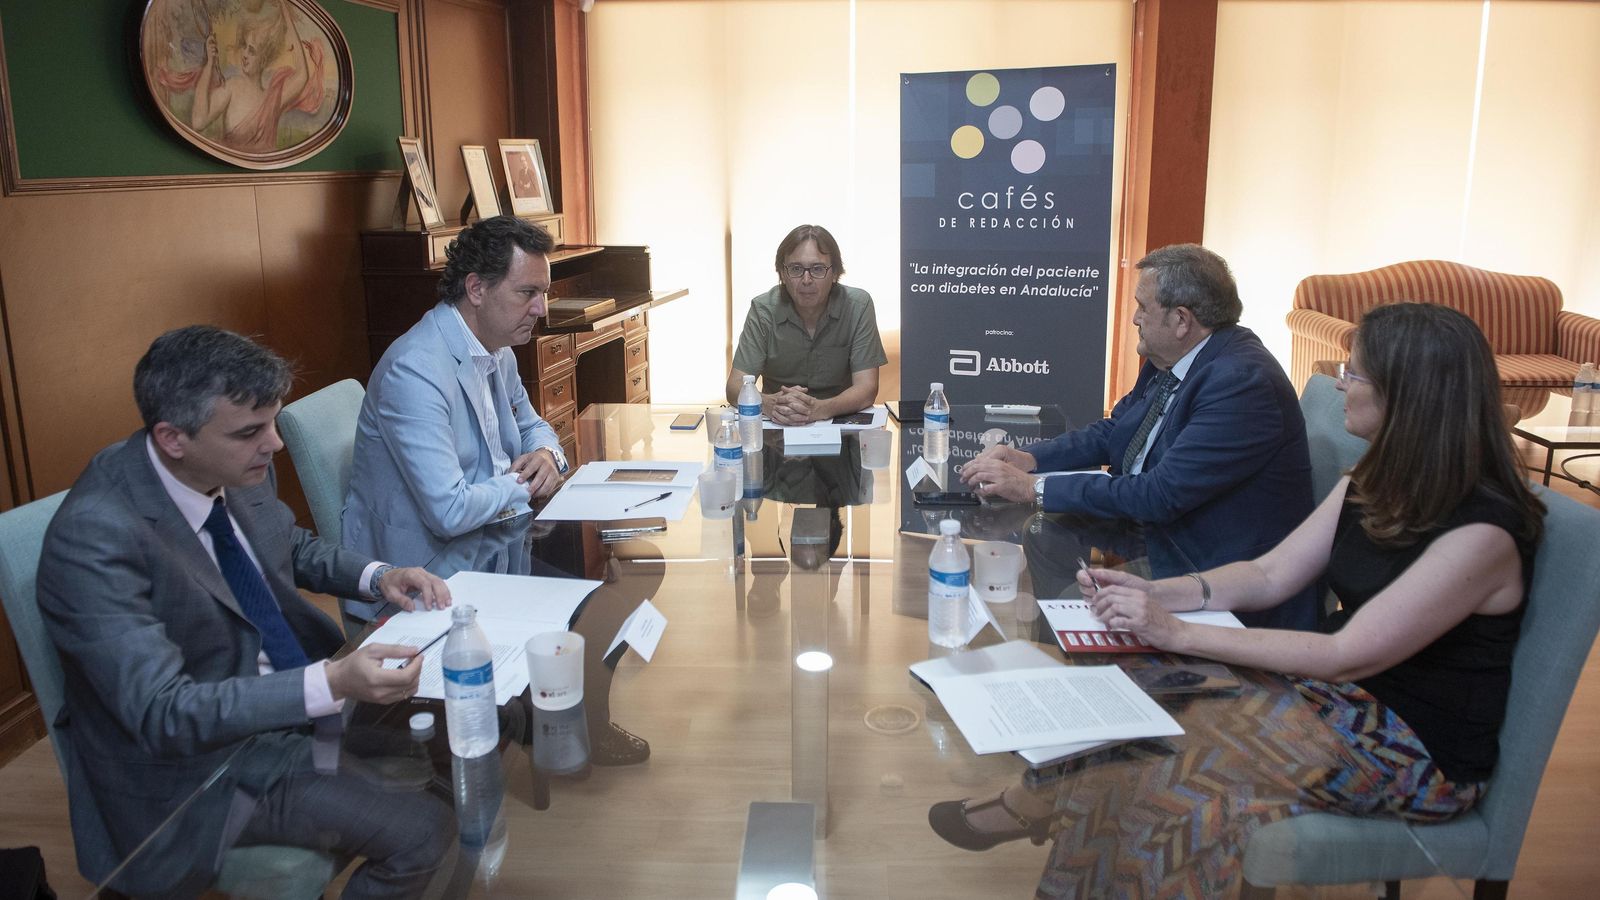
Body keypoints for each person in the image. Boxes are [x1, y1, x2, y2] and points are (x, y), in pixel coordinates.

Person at [937, 303, 1545, 898]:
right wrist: (1157, 593)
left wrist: (1176, 631)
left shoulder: (1481, 532)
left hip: (1407, 748)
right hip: (1332, 700)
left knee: (1164, 762)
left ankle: (1045, 817)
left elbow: (1347, 654)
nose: (1339, 383)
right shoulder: (1378, 478)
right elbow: (1270, 572)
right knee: (1135, 693)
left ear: (1406, 396)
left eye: (1354, 373)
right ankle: (1053, 830)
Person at [37, 326, 455, 896]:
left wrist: (379, 576)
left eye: (274, 423)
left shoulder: (227, 462)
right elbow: (165, 711)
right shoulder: (94, 537)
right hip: (199, 770)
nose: (276, 445)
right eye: (251, 431)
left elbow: (291, 546)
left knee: (469, 729)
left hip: (286, 710)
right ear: (172, 438)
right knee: (421, 829)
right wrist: (330, 680)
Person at [959, 243, 1317, 630]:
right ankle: (1075, 648)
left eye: (1143, 307)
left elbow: (1158, 494)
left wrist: (1034, 488)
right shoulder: (1176, 357)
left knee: (1068, 603)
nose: (1134, 318)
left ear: (1181, 320)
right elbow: (1117, 430)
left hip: (1204, 563)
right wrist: (1030, 459)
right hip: (1159, 527)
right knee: (1046, 530)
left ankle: (1085, 646)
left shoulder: (1242, 382)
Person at [344, 215, 568, 580]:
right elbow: (449, 512)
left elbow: (534, 426)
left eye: (543, 293)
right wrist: (523, 484)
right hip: (425, 575)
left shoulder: (499, 349)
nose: (541, 309)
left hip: (494, 544)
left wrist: (548, 455)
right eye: (528, 293)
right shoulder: (415, 371)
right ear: (476, 289)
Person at [726, 224, 887, 425]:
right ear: (782, 274)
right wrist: (768, 404)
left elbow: (867, 389)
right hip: (777, 427)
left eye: (818, 269)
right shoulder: (763, 310)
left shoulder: (858, 306)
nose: (806, 280)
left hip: (839, 425)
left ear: (835, 273)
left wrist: (821, 408)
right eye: (796, 269)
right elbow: (734, 387)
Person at [189, 0, 327, 154]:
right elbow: (198, 122)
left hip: (267, 175)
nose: (245, 54)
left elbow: (302, 74)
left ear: (264, 60)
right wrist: (209, 64)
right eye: (244, 46)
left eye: (252, 51)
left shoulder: (272, 99)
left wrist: (286, 14)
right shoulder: (233, 86)